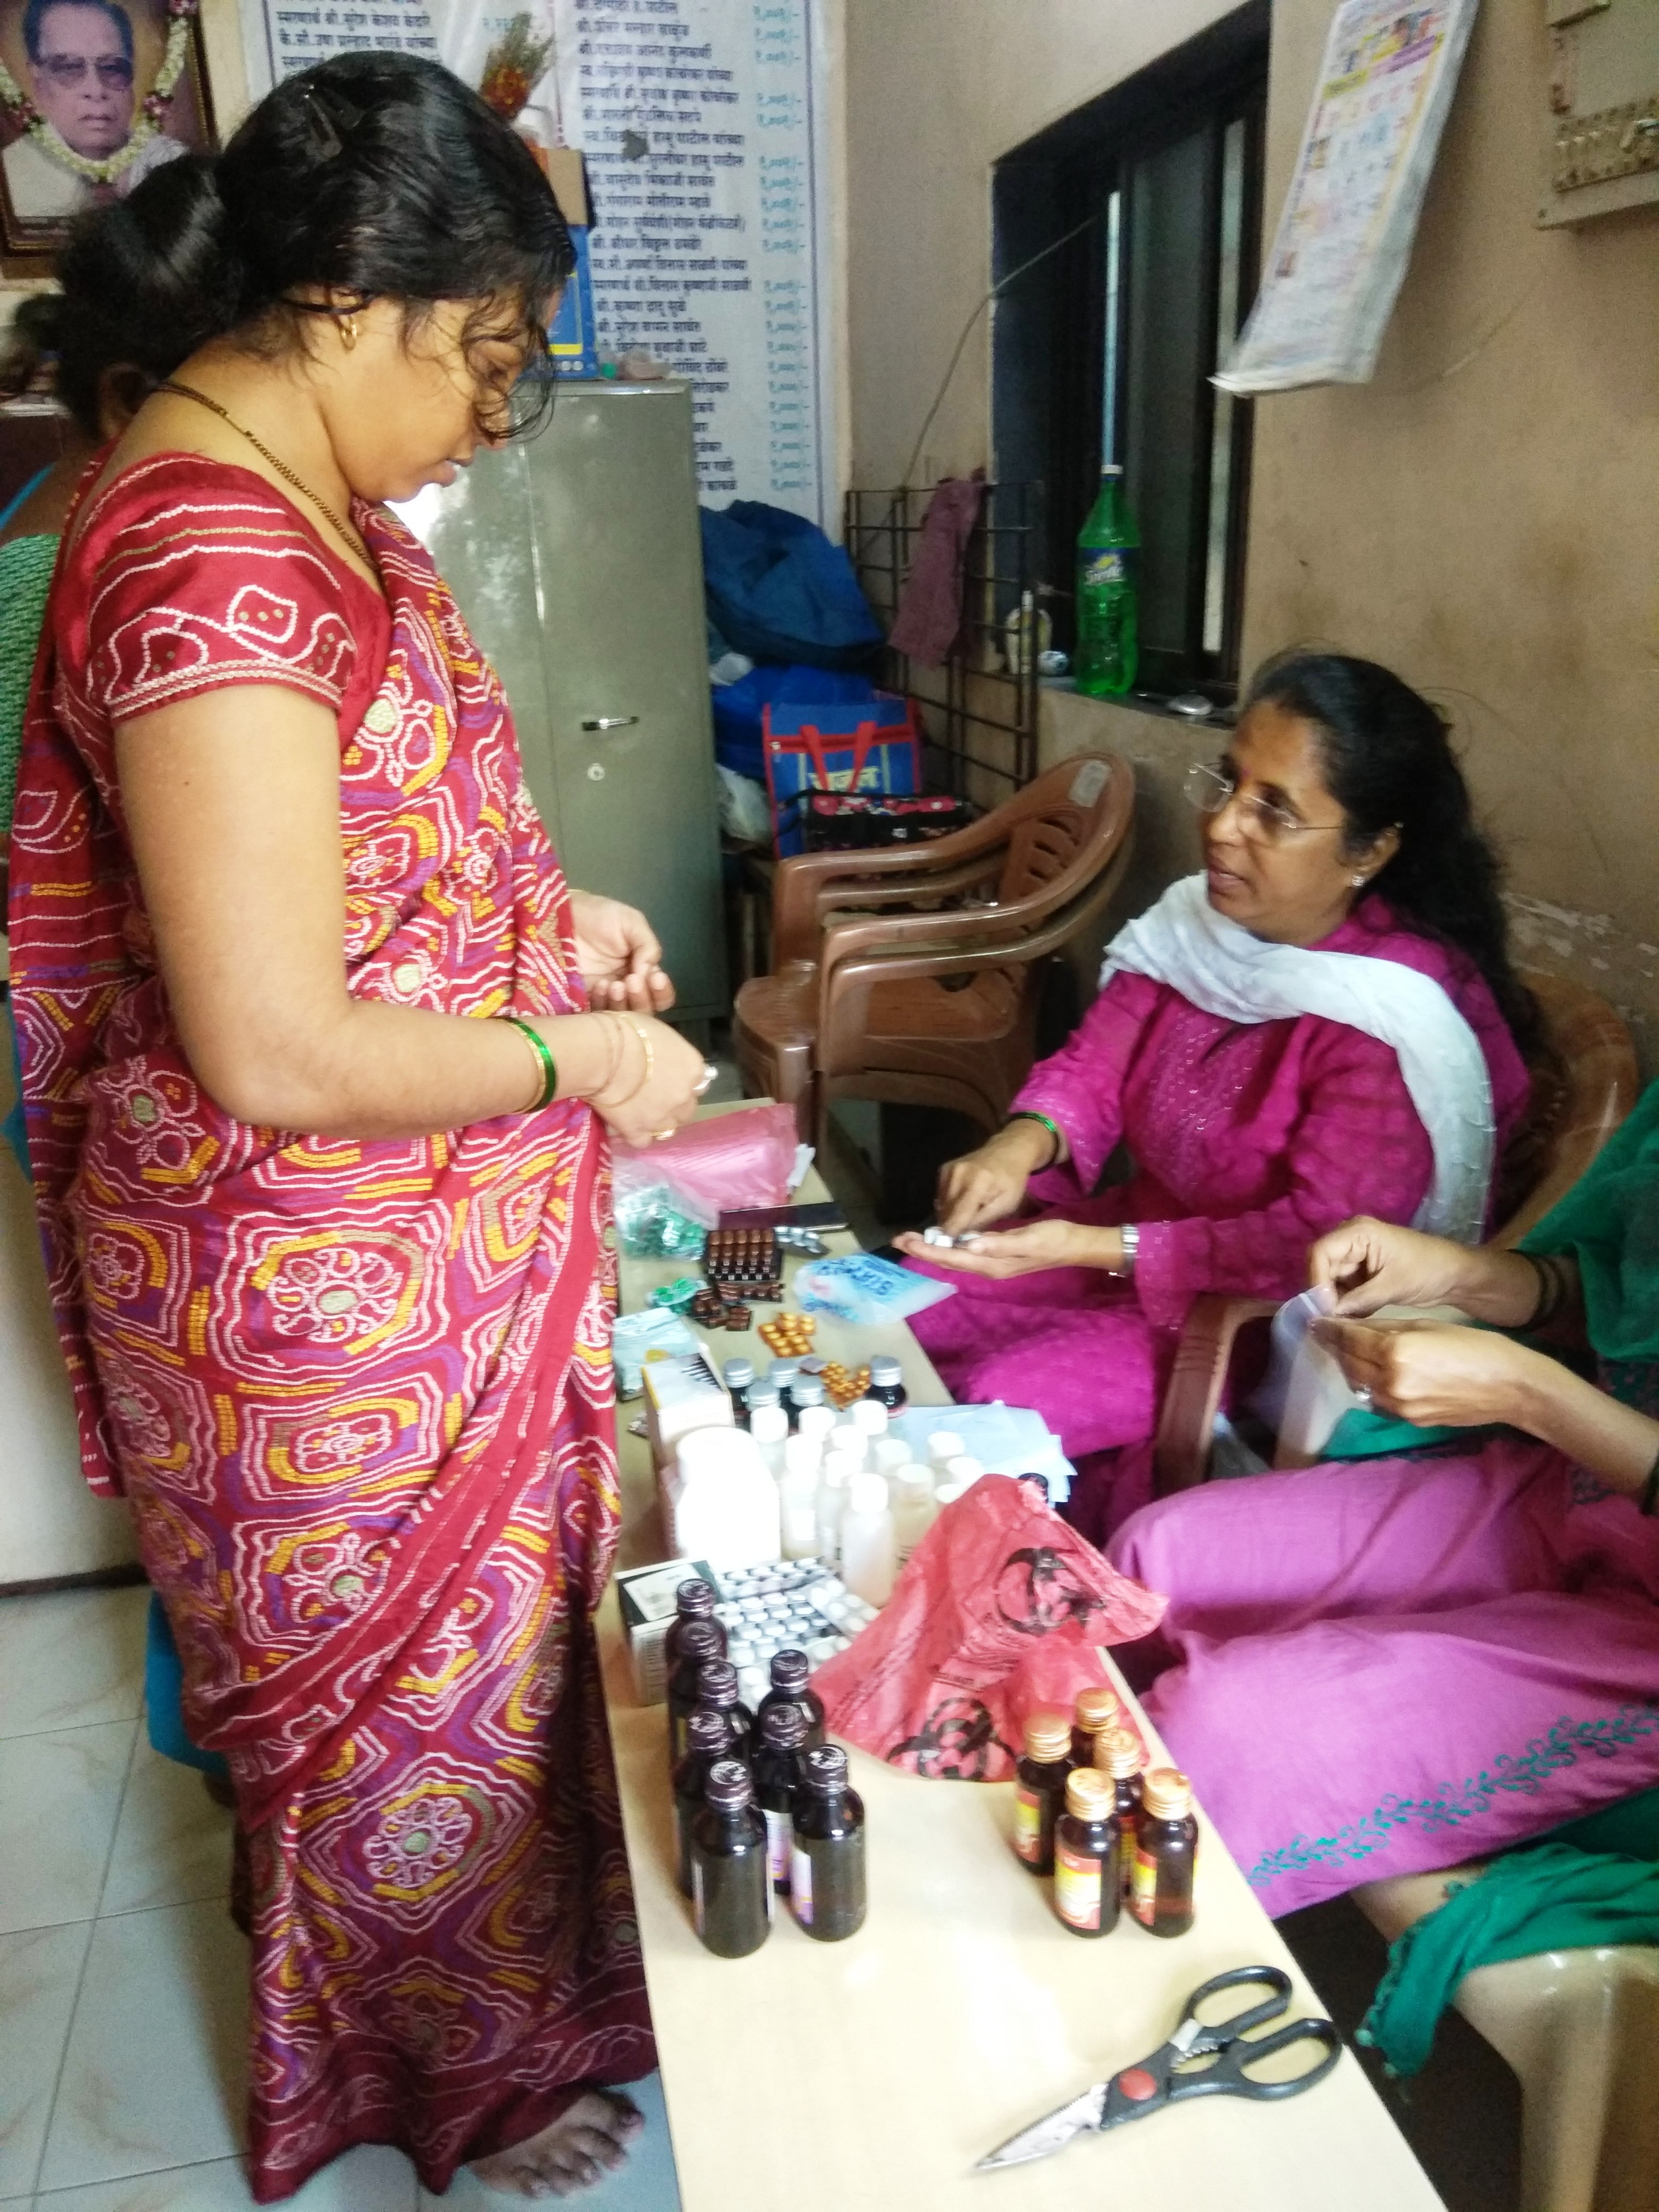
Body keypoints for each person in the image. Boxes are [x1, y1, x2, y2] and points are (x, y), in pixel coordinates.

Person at [9, 53, 708, 2204]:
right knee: (403, 1728)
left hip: (398, 1247)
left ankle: (509, 2017)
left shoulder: (299, 512)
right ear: (348, 299)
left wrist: (546, 921)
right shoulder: (208, 561)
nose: (494, 417)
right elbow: (281, 1044)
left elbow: (352, 864)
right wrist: (579, 1061)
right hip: (312, 1278)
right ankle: (448, 2078)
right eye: (483, 356)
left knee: (479, 1691)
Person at [895, 653, 1535, 1543]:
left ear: (1370, 850)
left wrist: (1090, 1244)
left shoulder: (1391, 1019)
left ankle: (1039, 1594)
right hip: (1130, 1241)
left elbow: (1314, 1246)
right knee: (909, 1300)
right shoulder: (1200, 925)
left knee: (1006, 1405)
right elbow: (1096, 1063)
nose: (1224, 826)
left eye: (1275, 810)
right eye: (1230, 783)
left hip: (1253, 1321)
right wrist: (1019, 1144)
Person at [1109, 1107, 1659, 1921]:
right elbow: (1620, 1294)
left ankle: (1107, 1937)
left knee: (1223, 1739)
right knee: (1151, 1560)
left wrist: (1528, 1393)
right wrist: (1461, 1276)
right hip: (1578, 1493)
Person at [3, 0, 188, 224]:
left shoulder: (172, 160)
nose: (96, 90)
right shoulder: (10, 175)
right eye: (69, 67)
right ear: (38, 80)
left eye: (112, 68)